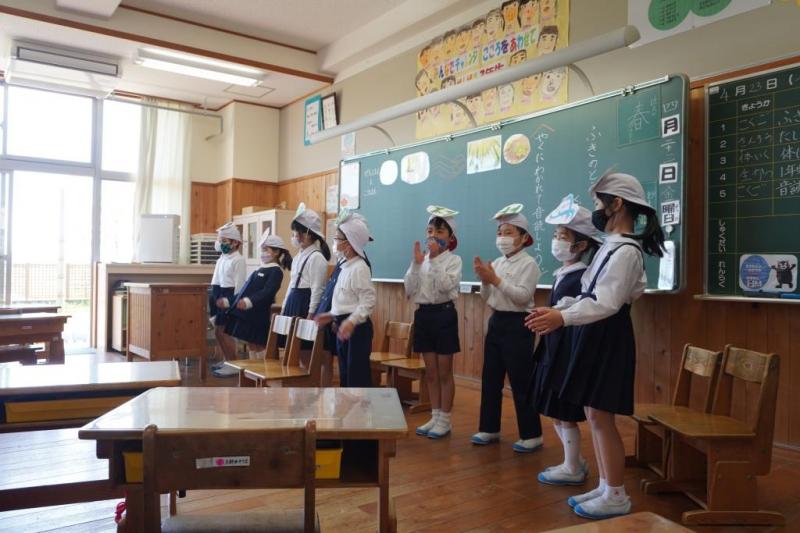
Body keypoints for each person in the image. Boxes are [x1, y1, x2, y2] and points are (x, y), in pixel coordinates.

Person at [528, 172, 665, 519]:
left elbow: (606, 302)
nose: (596, 211)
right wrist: (559, 309)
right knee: (594, 413)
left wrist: (562, 317)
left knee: (602, 416)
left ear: (616, 204)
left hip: (608, 335)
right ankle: (606, 486)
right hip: (594, 332)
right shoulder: (611, 246)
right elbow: (588, 293)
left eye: (599, 203)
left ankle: (616, 494)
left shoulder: (626, 251)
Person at [529, 196, 600, 485]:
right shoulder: (563, 272)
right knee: (553, 409)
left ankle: (573, 466)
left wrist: (556, 312)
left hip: (566, 349)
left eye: (563, 237)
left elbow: (576, 308)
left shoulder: (583, 275)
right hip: (553, 346)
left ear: (581, 245)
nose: (556, 242)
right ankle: (573, 461)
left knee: (563, 409)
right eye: (556, 235)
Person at [472, 203, 542, 452]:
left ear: (523, 237)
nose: (502, 237)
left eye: (509, 232)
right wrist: (485, 281)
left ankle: (532, 434)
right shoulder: (499, 263)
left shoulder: (529, 264)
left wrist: (494, 279)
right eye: (500, 232)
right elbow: (487, 297)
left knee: (521, 381)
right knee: (490, 378)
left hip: (519, 324)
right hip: (497, 321)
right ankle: (489, 428)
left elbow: (522, 297)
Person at [404, 206, 462, 439]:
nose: (434, 236)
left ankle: (445, 420)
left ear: (450, 237)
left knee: (444, 372)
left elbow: (446, 287)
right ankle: (435, 416)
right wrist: (416, 264)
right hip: (424, 315)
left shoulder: (454, 260)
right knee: (430, 372)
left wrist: (435, 260)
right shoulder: (422, 260)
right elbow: (409, 289)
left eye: (439, 232)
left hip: (444, 315)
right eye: (430, 231)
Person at [315, 210, 375, 387]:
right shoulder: (345, 266)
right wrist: (331, 315)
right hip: (343, 327)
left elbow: (368, 301)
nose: (334, 242)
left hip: (357, 329)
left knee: (356, 378)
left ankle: (361, 406)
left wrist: (351, 321)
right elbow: (344, 300)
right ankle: (347, 405)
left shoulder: (360, 268)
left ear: (349, 244)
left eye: (337, 239)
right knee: (345, 375)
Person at [220, 235, 291, 374]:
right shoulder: (259, 269)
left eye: (266, 249)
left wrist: (249, 301)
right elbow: (244, 290)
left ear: (277, 252)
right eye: (262, 250)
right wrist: (229, 301)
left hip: (259, 315)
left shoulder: (276, 271)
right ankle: (253, 372)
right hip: (249, 315)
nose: (263, 253)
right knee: (251, 344)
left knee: (259, 345)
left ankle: (264, 372)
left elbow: (268, 292)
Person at [281, 203, 331, 354]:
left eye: (296, 232)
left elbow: (317, 289)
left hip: (304, 304)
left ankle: (308, 371)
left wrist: (311, 314)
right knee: (292, 349)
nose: (294, 236)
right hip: (294, 302)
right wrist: (284, 306)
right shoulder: (298, 257)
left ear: (308, 234)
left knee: (304, 350)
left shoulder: (316, 257)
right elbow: (291, 284)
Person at [209, 222, 246, 375]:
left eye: (224, 241)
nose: (220, 244)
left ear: (235, 243)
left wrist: (232, 304)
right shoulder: (222, 259)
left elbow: (239, 286)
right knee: (218, 332)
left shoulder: (238, 260)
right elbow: (216, 281)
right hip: (219, 295)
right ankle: (227, 360)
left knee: (225, 332)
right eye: (220, 240)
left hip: (230, 298)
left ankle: (234, 363)